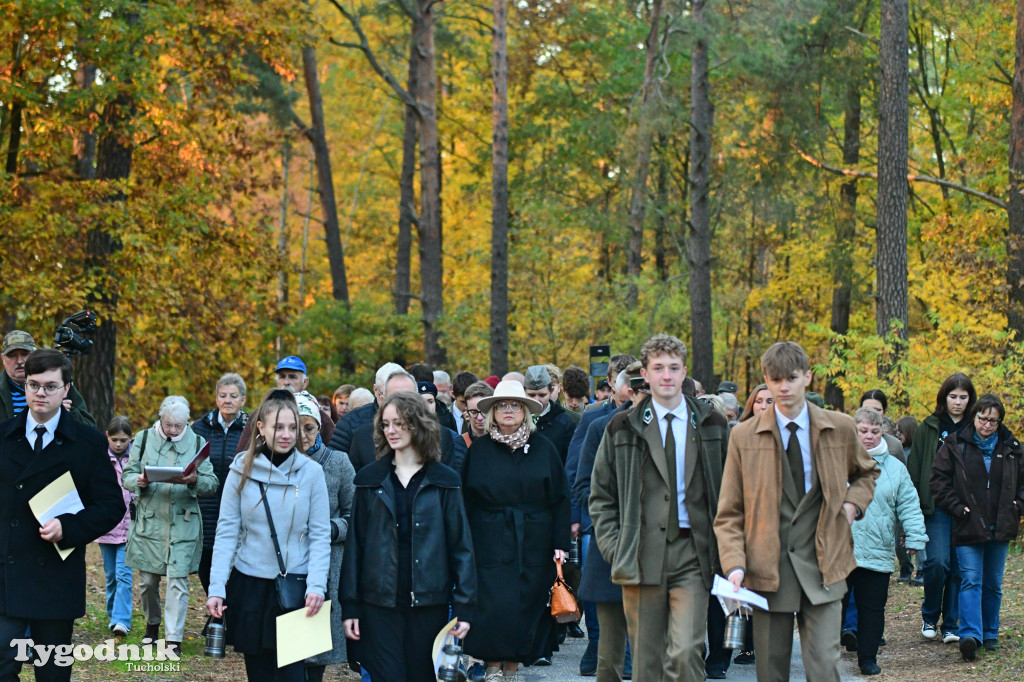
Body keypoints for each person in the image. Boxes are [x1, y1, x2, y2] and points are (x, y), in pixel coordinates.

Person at [714, 341, 878, 682]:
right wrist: (734, 564)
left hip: (825, 564)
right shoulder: (743, 436)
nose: (783, 387)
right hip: (766, 570)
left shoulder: (841, 427)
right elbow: (729, 512)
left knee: (824, 666)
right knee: (771, 671)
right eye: (775, 380)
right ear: (765, 381)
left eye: (791, 378)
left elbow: (866, 472)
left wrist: (851, 506)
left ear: (808, 377)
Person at [589, 334, 728, 682]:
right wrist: (614, 545)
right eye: (658, 368)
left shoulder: (712, 424)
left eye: (674, 368)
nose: (666, 375)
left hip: (694, 554)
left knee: (685, 654)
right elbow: (600, 495)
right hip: (640, 554)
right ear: (645, 377)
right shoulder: (622, 427)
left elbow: (732, 493)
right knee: (647, 664)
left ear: (685, 375)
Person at [0, 349, 125, 681]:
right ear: (25, 387)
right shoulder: (2, 437)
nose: (40, 393)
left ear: (67, 388)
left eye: (50, 386)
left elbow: (112, 505)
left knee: (52, 672)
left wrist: (68, 527)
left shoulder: (88, 442)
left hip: (55, 577)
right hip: (6, 575)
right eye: (34, 385)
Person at [341, 392, 476, 681]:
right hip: (379, 604)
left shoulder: (444, 480)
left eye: (399, 423)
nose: (391, 430)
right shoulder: (369, 479)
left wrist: (465, 607)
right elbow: (356, 547)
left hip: (429, 602)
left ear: (417, 425)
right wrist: (350, 605)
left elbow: (461, 548)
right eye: (386, 424)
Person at [206, 389, 331, 682]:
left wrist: (316, 585)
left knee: (293, 677)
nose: (286, 434)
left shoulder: (312, 473)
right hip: (251, 587)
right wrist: (216, 587)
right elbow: (226, 531)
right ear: (260, 427)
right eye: (278, 427)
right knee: (259, 674)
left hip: (296, 588)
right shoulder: (240, 469)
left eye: (292, 427)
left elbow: (320, 534)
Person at [461, 380, 571, 680]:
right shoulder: (479, 450)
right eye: (501, 405)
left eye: (514, 405)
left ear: (526, 412)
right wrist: (464, 542)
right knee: (493, 605)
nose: (508, 411)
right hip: (489, 540)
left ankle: (512, 669)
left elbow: (561, 497)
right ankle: (492, 665)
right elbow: (465, 501)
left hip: (534, 540)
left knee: (527, 604)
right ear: (492, 412)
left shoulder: (543, 448)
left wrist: (561, 543)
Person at [930, 393, 1024, 661]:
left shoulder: (1013, 447)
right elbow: (938, 480)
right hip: (968, 523)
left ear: (999, 422)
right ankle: (970, 635)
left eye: (993, 421)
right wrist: (956, 507)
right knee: (971, 579)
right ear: (975, 416)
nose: (987, 425)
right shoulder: (955, 444)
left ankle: (990, 633)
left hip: (1001, 523)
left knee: (993, 582)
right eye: (983, 418)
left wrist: (1017, 504)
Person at [122, 395, 218, 655]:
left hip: (183, 522)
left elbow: (212, 483)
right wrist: (138, 481)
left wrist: (194, 480)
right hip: (150, 522)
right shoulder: (142, 439)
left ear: (186, 423)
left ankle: (173, 639)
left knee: (178, 582)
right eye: (168, 424)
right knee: (147, 582)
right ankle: (152, 625)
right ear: (160, 419)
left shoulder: (197, 442)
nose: (173, 430)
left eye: (178, 425)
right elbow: (127, 475)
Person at [841, 408, 928, 675]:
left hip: (876, 549)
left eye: (874, 431)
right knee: (833, 605)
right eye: (863, 431)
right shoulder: (836, 461)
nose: (868, 436)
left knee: (872, 607)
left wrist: (914, 537)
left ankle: (867, 658)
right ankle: (824, 655)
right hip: (838, 549)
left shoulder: (895, 469)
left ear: (883, 433)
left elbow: (910, 505)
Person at [573, 365, 641, 680]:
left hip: (657, 543)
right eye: (636, 387)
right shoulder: (598, 424)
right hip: (608, 535)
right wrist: (602, 522)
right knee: (607, 618)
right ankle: (601, 649)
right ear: (619, 389)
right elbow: (581, 479)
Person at [907, 372, 975, 644]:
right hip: (935, 507)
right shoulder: (929, 427)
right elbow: (915, 469)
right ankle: (929, 615)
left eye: (963, 397)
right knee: (936, 563)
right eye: (953, 396)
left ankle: (950, 624)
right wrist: (913, 510)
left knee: (959, 568)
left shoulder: (974, 427)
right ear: (943, 398)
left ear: (970, 399)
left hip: (968, 510)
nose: (957, 402)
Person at [294, 392, 356, 682]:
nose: (303, 435)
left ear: (319, 428)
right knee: (290, 643)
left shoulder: (338, 462)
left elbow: (354, 515)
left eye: (310, 428)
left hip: (327, 562)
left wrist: (331, 529)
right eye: (297, 427)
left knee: (315, 649)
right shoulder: (276, 463)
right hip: (289, 561)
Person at [191, 372, 249, 594]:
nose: (228, 400)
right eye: (223, 395)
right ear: (216, 399)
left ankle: (225, 615)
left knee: (234, 563)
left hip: (238, 505)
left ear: (242, 400)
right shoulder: (200, 427)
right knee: (205, 565)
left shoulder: (252, 427)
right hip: (206, 506)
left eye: (233, 396)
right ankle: (217, 610)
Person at [94, 416, 136, 637]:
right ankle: (113, 615)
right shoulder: (100, 459)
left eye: (123, 440)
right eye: (114, 439)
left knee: (124, 575)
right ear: (107, 437)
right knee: (110, 575)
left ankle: (122, 620)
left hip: (129, 527)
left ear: (131, 438)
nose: (119, 444)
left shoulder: (136, 459)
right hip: (107, 526)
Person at [0, 330, 94, 426]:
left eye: (25, 354)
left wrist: (68, 414)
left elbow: (90, 428)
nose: (19, 361)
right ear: (3, 359)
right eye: (12, 356)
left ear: (34, 355)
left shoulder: (59, 385)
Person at [239, 356, 334, 448]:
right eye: (282, 377)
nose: (286, 382)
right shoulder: (260, 414)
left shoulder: (320, 417)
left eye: (292, 377)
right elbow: (243, 453)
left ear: (305, 382)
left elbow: (332, 456)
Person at [330, 362, 404, 453]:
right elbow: (336, 463)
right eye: (390, 396)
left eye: (405, 397)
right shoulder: (349, 422)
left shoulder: (420, 420)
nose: (398, 403)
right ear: (376, 390)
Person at [461, 381, 494, 446]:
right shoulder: (456, 445)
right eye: (474, 412)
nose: (479, 418)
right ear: (466, 411)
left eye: (484, 411)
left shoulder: (505, 442)